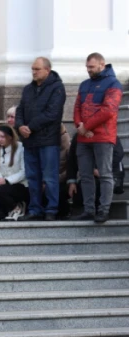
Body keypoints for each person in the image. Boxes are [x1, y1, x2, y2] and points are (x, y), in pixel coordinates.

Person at [71, 52, 122, 223]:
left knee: (105, 174)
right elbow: (77, 107)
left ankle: (104, 210)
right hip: (84, 136)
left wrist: (86, 126)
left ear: (102, 64)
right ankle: (89, 210)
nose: (88, 70)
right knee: (85, 175)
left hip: (103, 136)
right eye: (87, 67)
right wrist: (80, 126)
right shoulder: (84, 84)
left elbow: (108, 110)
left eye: (91, 67)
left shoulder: (113, 84)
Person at [14, 57, 66, 221]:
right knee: (33, 177)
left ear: (47, 70)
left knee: (50, 177)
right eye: (32, 69)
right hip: (30, 141)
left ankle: (51, 209)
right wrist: (20, 125)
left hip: (48, 141)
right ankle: (35, 209)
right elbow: (20, 109)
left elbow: (53, 113)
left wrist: (30, 127)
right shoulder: (28, 89)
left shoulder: (57, 88)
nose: (34, 72)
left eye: (37, 69)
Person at [0, 125, 28, 221]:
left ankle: (16, 207)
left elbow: (24, 171)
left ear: (10, 137)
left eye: (3, 137)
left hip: (20, 185)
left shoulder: (20, 148)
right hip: (3, 186)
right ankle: (10, 209)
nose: (0, 140)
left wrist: (6, 180)